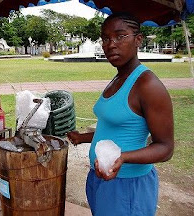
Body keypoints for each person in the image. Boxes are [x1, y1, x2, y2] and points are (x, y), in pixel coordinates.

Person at [67, 12, 174, 216]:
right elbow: (118, 129)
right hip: (102, 180)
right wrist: (83, 138)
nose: (111, 44)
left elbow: (165, 148)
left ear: (138, 40)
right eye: (106, 38)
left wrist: (122, 158)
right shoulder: (118, 78)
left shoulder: (148, 85)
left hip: (127, 186)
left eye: (120, 36)